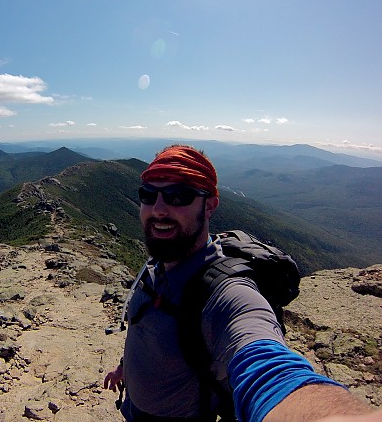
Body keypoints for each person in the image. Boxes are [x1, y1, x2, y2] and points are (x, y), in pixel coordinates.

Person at [104, 144, 376, 422]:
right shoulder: (155, 266)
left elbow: (268, 369)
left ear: (209, 206)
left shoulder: (228, 294)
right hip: (134, 409)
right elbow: (147, 330)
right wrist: (124, 367)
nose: (158, 209)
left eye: (179, 196)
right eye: (148, 195)